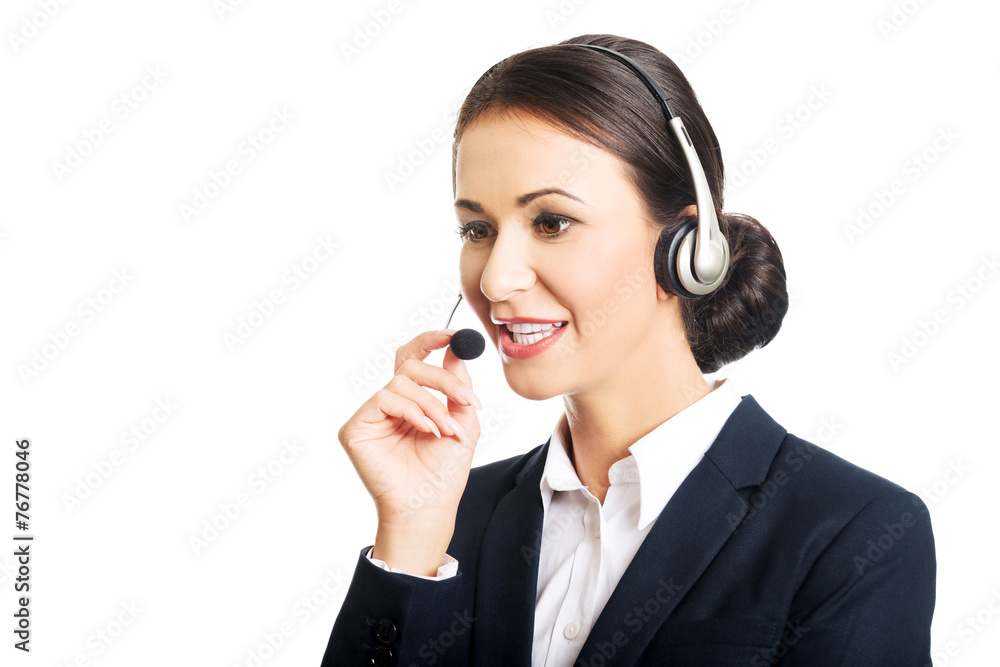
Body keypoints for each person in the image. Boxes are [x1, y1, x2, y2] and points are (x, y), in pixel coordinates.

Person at [321, 34, 936, 666]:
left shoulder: (852, 533)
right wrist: (413, 537)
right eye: (478, 230)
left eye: (552, 222)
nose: (495, 279)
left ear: (689, 246)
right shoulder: (450, 521)